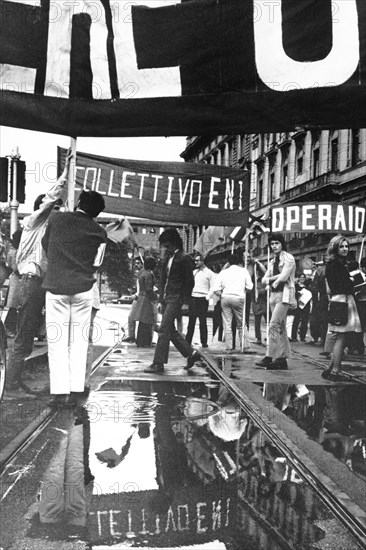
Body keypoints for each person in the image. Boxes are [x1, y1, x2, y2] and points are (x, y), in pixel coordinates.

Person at [4, 150, 72, 399]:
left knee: (27, 335)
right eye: (55, 208)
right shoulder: (35, 221)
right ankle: (10, 386)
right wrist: (66, 172)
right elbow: (53, 197)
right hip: (30, 283)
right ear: (45, 209)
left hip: (36, 283)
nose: (58, 211)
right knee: (23, 337)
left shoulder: (46, 230)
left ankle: (14, 382)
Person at [42, 190, 107, 407]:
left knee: (57, 341)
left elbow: (45, 244)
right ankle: (77, 390)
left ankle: (60, 394)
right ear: (97, 213)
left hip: (56, 286)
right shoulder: (99, 232)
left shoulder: (57, 219)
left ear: (78, 202)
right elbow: (98, 263)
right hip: (83, 289)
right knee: (79, 342)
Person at [144, 228, 200, 374]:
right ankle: (191, 353)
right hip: (168, 298)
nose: (165, 248)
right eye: (164, 245)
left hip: (177, 298)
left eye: (167, 245)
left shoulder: (184, 258)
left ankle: (158, 363)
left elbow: (190, 281)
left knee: (163, 329)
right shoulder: (168, 258)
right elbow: (163, 280)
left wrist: (186, 301)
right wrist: (161, 299)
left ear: (175, 243)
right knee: (170, 329)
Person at [322, 235, 361, 381]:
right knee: (341, 337)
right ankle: (336, 371)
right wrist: (351, 280)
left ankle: (330, 368)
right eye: (342, 246)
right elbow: (342, 285)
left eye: (346, 246)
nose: (345, 249)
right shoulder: (338, 264)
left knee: (339, 336)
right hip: (343, 300)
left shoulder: (332, 263)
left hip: (338, 300)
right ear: (335, 248)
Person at [256, 233, 296, 370]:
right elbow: (263, 280)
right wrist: (271, 279)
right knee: (281, 327)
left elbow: (284, 277)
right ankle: (281, 359)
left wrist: (271, 280)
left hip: (284, 295)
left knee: (273, 325)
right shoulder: (273, 261)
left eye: (277, 243)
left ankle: (269, 356)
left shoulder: (289, 258)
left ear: (282, 244)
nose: (274, 246)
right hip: (273, 296)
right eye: (272, 244)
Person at [212, 253, 253, 353]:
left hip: (225, 298)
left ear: (229, 262)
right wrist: (243, 290)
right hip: (239, 298)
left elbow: (215, 289)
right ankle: (245, 346)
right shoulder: (243, 271)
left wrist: (221, 294)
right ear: (240, 262)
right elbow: (250, 287)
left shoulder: (223, 273)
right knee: (241, 323)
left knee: (227, 323)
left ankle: (229, 347)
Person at [185, 253, 215, 348]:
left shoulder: (210, 273)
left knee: (203, 321)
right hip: (193, 298)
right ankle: (187, 341)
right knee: (191, 321)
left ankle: (204, 342)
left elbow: (213, 287)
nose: (195, 262)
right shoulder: (194, 272)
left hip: (203, 299)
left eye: (197, 260)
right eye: (195, 261)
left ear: (203, 261)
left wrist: (207, 297)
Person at [131, 256, 158, 347]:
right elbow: (149, 288)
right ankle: (146, 342)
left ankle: (140, 341)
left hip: (141, 298)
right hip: (147, 298)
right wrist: (155, 297)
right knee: (148, 320)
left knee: (142, 321)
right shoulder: (149, 274)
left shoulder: (142, 273)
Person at [250, 258, 267, 345]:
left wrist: (258, 262)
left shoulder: (263, 279)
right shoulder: (252, 281)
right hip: (256, 303)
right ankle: (258, 338)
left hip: (264, 303)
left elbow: (265, 271)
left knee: (268, 321)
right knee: (257, 323)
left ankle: (269, 337)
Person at [290, 273, 311, 342]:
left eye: (303, 278)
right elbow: (293, 294)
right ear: (298, 278)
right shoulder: (295, 286)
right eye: (301, 277)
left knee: (305, 322)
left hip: (306, 305)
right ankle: (294, 337)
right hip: (298, 305)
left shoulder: (307, 286)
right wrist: (298, 294)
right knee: (296, 320)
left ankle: (303, 337)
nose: (302, 279)